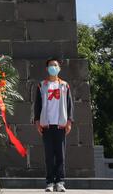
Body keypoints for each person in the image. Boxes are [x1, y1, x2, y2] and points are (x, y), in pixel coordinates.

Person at [34, 58, 74, 192]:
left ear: (59, 68)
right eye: (51, 65)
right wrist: (37, 121)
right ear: (47, 69)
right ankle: (50, 182)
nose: (53, 67)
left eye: (55, 65)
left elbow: (69, 105)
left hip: (60, 124)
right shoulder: (42, 85)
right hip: (46, 124)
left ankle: (60, 182)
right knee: (49, 156)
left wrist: (69, 121)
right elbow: (37, 105)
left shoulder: (64, 85)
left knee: (61, 155)